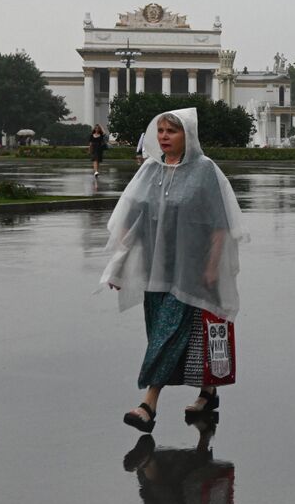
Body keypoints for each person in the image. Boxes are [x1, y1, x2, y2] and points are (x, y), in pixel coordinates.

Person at [102, 109, 246, 432]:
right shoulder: (150, 171)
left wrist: (211, 267)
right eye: (161, 130)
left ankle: (148, 404)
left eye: (172, 131)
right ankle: (208, 392)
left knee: (169, 334)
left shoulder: (204, 171)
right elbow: (130, 221)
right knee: (170, 334)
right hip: (158, 269)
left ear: (188, 136)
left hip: (194, 270)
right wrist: (119, 266)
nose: (164, 136)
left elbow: (220, 226)